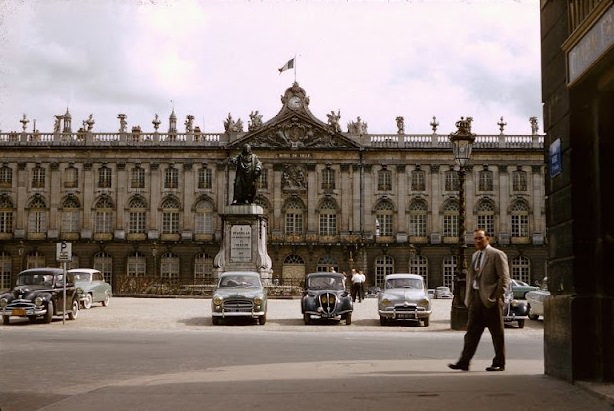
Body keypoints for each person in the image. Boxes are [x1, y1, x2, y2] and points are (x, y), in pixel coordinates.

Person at [448, 228, 510, 372]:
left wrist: (495, 296)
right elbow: (472, 277)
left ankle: (499, 362)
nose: (477, 241)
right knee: (471, 333)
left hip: (490, 300)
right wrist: (469, 298)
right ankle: (464, 362)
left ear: (488, 239)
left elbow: (504, 278)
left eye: (480, 238)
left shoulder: (497, 255)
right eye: (475, 238)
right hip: (476, 299)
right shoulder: (475, 255)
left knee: (497, 334)